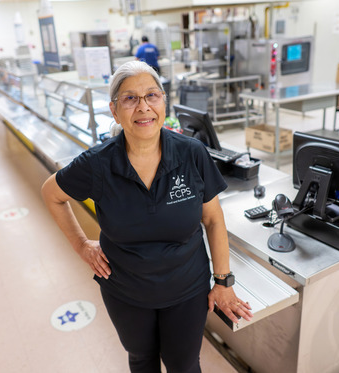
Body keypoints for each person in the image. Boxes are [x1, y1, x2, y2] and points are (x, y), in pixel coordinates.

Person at [41, 60, 252, 373]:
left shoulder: (191, 153)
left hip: (187, 287)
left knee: (184, 365)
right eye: (130, 98)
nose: (143, 107)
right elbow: (51, 193)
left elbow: (213, 219)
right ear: (114, 110)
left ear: (164, 103)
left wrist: (223, 282)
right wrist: (82, 245)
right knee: (141, 360)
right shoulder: (98, 164)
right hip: (125, 290)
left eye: (152, 96)